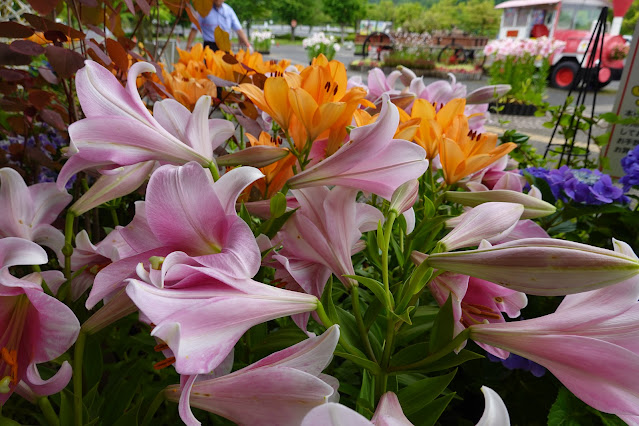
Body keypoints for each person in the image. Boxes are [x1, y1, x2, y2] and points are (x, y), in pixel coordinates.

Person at [186, 0, 252, 52]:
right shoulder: (204, 10)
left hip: (225, 46)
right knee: (210, 68)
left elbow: (238, 29)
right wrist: (188, 47)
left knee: (225, 67)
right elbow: (194, 29)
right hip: (210, 47)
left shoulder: (229, 11)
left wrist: (248, 45)